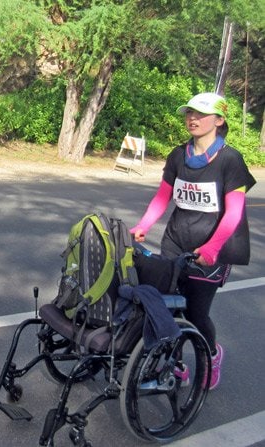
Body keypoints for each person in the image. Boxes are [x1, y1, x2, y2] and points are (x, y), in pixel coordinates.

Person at [131, 92, 256, 390]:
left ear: (219, 120)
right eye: (189, 113)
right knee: (168, 306)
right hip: (175, 241)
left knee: (196, 313)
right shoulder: (178, 155)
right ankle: (176, 364)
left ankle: (212, 355)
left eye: (200, 114)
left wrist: (212, 248)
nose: (192, 118)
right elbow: (163, 196)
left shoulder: (230, 160)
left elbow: (234, 213)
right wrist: (143, 225)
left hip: (214, 248)